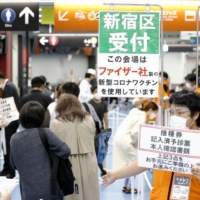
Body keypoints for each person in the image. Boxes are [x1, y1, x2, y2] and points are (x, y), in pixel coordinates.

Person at [102, 90, 200, 200]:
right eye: (172, 112)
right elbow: (146, 161)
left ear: (195, 114)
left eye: (180, 113)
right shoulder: (166, 138)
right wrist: (115, 174)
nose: (174, 117)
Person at [10, 101, 71, 200]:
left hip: (27, 190)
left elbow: (14, 165)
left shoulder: (14, 138)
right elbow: (66, 151)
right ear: (41, 117)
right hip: (49, 189)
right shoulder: (45, 133)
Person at [50, 94, 99, 200]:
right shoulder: (89, 119)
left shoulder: (56, 123)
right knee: (90, 192)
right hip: (89, 159)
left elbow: (53, 145)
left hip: (67, 163)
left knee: (71, 194)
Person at [113, 102, 158, 194]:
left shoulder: (135, 113)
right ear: (150, 110)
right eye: (155, 112)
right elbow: (135, 133)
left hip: (119, 139)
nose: (155, 115)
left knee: (130, 163)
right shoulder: (142, 117)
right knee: (135, 164)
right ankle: (129, 187)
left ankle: (127, 186)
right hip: (125, 141)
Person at [0, 71, 20, 179]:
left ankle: (10, 170)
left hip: (9, 122)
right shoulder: (9, 85)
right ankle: (6, 167)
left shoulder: (8, 87)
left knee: (8, 146)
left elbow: (6, 107)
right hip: (11, 122)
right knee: (5, 146)